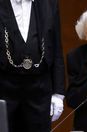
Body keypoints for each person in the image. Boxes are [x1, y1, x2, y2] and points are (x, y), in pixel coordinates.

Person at [0, 0, 65, 131]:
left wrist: (58, 94)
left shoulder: (50, 3)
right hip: (4, 89)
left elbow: (57, 48)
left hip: (40, 90)